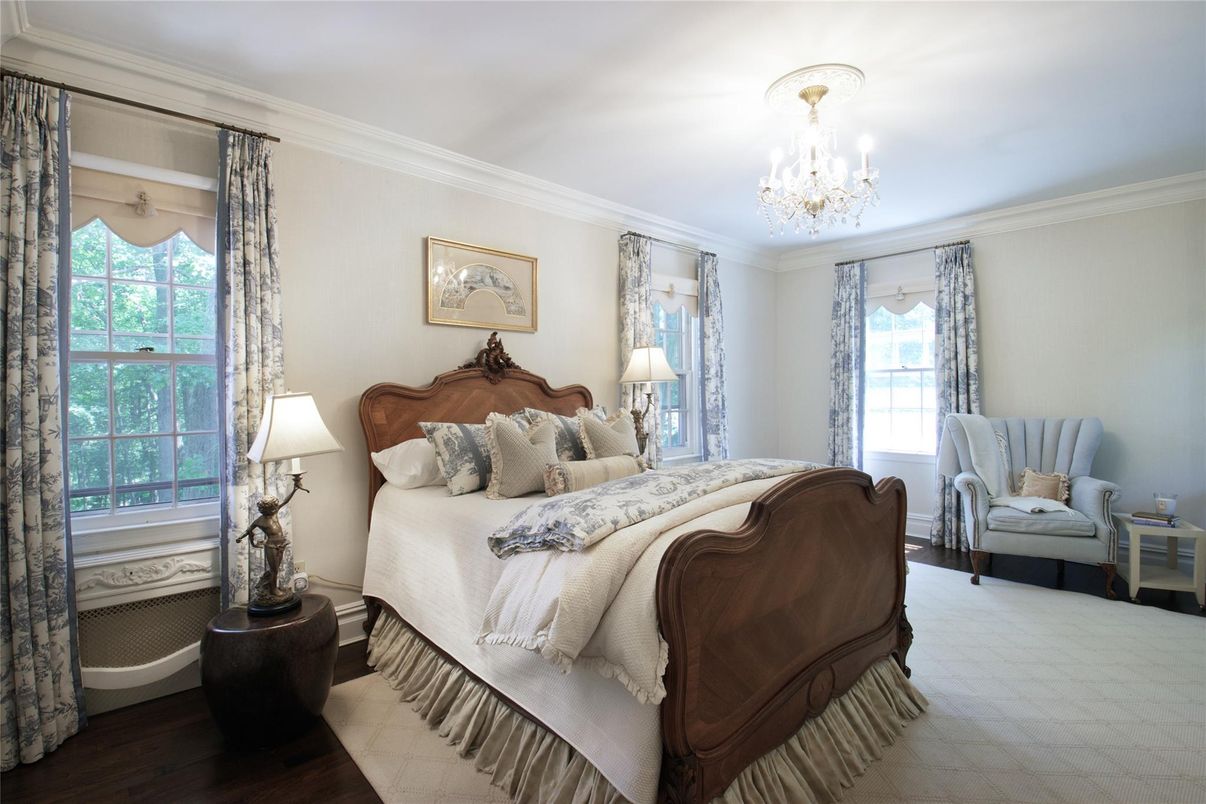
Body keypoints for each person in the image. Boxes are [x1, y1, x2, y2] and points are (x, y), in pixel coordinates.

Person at [236, 475, 307, 606]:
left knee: (277, 568)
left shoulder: (274, 513)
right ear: (264, 508)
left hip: (281, 544)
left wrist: (294, 489)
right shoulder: (260, 520)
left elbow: (285, 501)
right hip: (272, 546)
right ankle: (273, 590)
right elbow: (248, 530)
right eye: (272, 507)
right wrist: (240, 538)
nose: (275, 508)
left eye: (274, 506)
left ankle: (274, 588)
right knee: (274, 569)